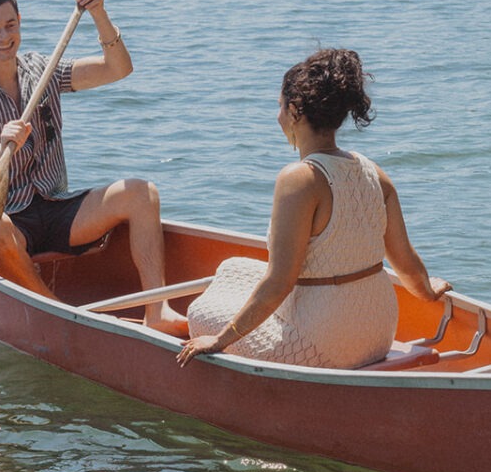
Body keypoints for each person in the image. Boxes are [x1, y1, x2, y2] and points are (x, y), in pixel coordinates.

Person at [177, 48, 451, 369]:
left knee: (199, 312)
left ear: (294, 111)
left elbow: (280, 282)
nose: (277, 115)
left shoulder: (299, 179)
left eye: (279, 106)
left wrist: (221, 339)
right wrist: (427, 290)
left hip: (322, 345)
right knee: (232, 267)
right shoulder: (373, 171)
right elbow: (405, 260)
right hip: (379, 334)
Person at [0, 0, 186, 336]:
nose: (4, 36)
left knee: (140, 192)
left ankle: (157, 310)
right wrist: (0, 148)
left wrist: (99, 14)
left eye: (11, 25)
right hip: (6, 215)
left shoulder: (43, 68)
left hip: (56, 206)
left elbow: (117, 69)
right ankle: (58, 313)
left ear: (20, 22)